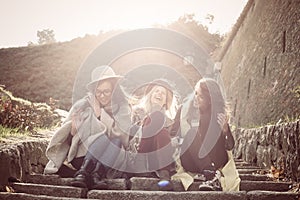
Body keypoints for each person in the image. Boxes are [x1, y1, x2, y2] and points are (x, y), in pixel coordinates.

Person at [44, 65, 131, 189]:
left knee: (115, 141)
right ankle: (83, 173)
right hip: (81, 156)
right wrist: (73, 131)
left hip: (108, 159)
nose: (102, 96)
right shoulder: (82, 105)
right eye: (98, 92)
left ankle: (95, 175)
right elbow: (64, 137)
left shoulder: (123, 108)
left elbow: (122, 137)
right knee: (103, 139)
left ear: (114, 90)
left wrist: (100, 115)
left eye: (106, 91)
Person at [171, 78, 239, 191]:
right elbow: (172, 134)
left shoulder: (217, 115)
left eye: (201, 96)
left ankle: (210, 174)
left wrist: (225, 130)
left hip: (214, 159)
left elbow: (230, 146)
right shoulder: (185, 110)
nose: (196, 98)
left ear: (209, 100)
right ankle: (211, 175)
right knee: (192, 133)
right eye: (195, 93)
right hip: (191, 159)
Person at [128, 79, 178, 191]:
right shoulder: (137, 112)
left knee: (162, 131)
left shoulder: (171, 122)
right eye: (156, 91)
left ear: (166, 101)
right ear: (150, 95)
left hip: (158, 160)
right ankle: (143, 166)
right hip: (137, 152)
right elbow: (129, 134)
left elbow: (173, 143)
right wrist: (147, 121)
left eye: (163, 93)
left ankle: (164, 175)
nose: (159, 94)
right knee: (155, 117)